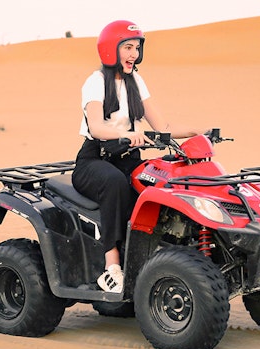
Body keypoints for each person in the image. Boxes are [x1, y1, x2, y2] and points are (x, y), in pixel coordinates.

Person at [73, 20, 205, 294]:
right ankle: (111, 268)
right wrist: (124, 135)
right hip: (94, 160)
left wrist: (193, 132)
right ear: (111, 49)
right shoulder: (95, 82)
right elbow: (96, 126)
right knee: (115, 184)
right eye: (128, 47)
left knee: (158, 183)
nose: (133, 54)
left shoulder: (136, 82)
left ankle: (150, 256)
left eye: (136, 48)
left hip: (127, 158)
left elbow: (162, 128)